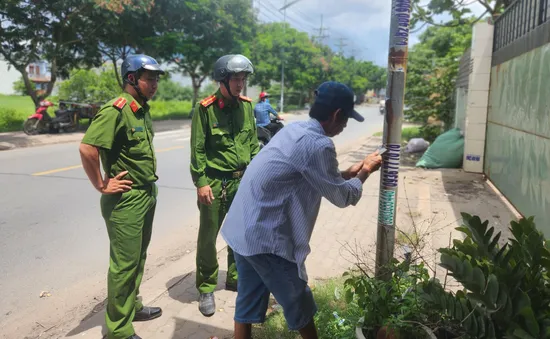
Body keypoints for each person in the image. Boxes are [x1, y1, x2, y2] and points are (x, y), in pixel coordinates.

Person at [220, 81, 383, 339]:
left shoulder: (294, 130)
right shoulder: (318, 145)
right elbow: (343, 197)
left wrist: (349, 172)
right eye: (346, 119)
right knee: (299, 302)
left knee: (247, 303)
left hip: (242, 231)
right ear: (337, 115)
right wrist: (365, 171)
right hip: (266, 240)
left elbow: (312, 176)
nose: (345, 126)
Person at [79, 54, 165, 339]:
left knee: (137, 258)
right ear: (131, 79)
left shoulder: (140, 108)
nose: (154, 84)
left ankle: (133, 306)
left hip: (145, 193)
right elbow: (87, 148)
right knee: (124, 264)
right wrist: (102, 185)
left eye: (155, 80)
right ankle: (117, 329)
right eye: (148, 79)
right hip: (126, 199)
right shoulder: (116, 110)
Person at [190, 54, 260, 317]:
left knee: (239, 233)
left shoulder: (247, 106)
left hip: (242, 181)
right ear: (223, 79)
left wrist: (256, 176)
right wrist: (201, 182)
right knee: (208, 236)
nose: (241, 84)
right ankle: (207, 287)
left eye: (243, 79)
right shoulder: (205, 109)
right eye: (236, 79)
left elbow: (253, 144)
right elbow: (197, 149)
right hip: (215, 183)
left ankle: (234, 277)